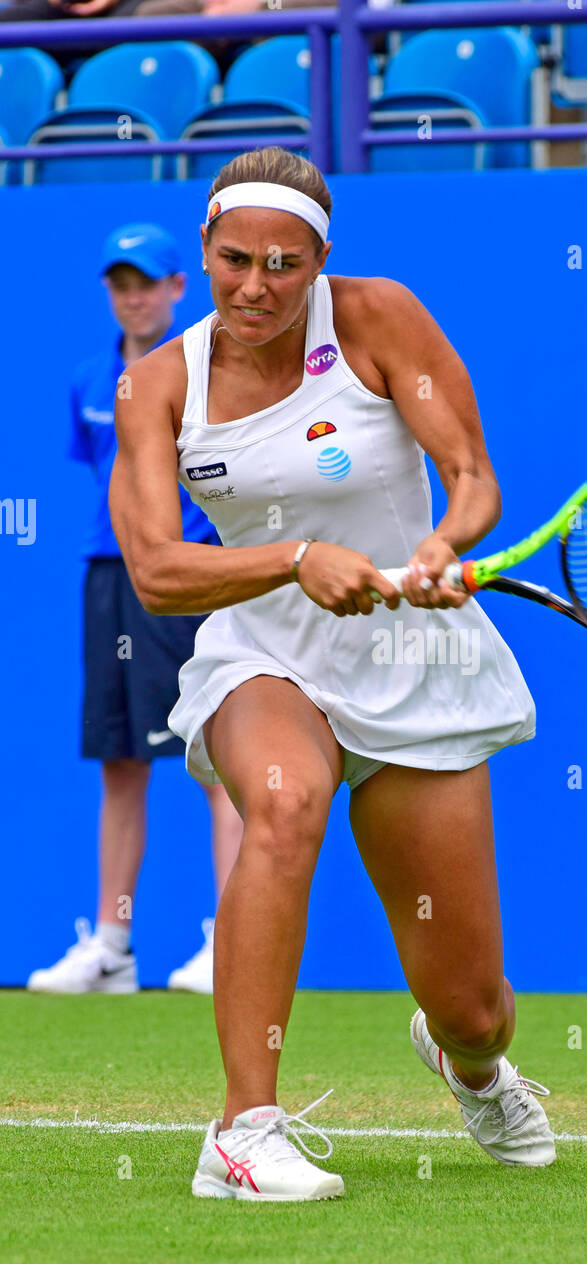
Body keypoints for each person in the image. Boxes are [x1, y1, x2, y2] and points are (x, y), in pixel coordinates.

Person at [109, 148, 555, 1202]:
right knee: (282, 800)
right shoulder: (159, 382)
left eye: (282, 262)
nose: (256, 285)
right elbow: (159, 572)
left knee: (475, 1005)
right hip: (261, 654)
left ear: (319, 260)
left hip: (412, 661)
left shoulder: (376, 317)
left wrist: (446, 544)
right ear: (204, 253)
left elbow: (472, 475)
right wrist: (295, 559)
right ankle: (241, 1131)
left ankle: (468, 1062)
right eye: (232, 260)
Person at [27, 224, 243, 997]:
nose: (134, 296)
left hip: (186, 579)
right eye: (120, 283)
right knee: (121, 762)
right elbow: (102, 473)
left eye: (147, 282)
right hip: (108, 578)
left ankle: (233, 940)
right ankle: (113, 948)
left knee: (217, 762)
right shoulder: (89, 378)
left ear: (180, 288)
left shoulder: (207, 373)